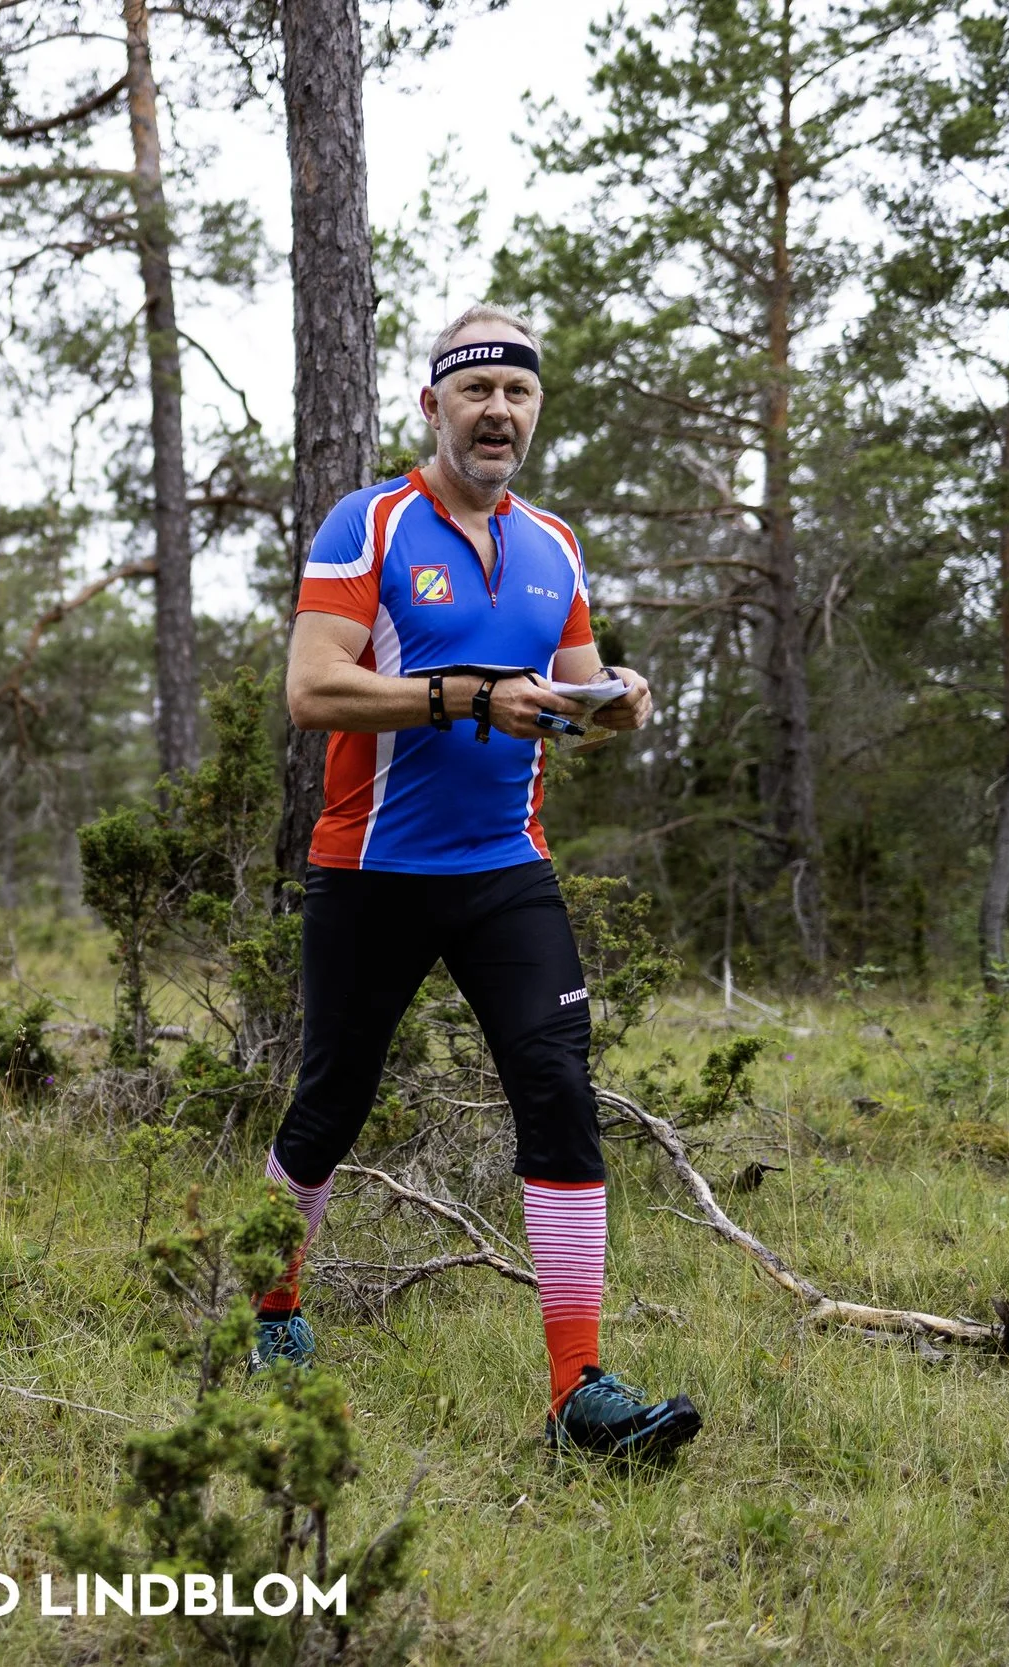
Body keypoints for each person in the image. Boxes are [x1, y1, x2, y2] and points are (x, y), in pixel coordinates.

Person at [252, 302, 701, 1461]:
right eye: (475, 390)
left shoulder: (553, 543)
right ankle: (271, 1314)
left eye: (517, 392)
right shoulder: (373, 523)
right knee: (330, 1103)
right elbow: (313, 687)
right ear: (434, 406)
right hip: (371, 871)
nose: (496, 410)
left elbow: (568, 693)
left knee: (556, 1084)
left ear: (534, 411)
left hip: (507, 869)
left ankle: (577, 1389)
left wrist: (619, 702)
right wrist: (463, 692)